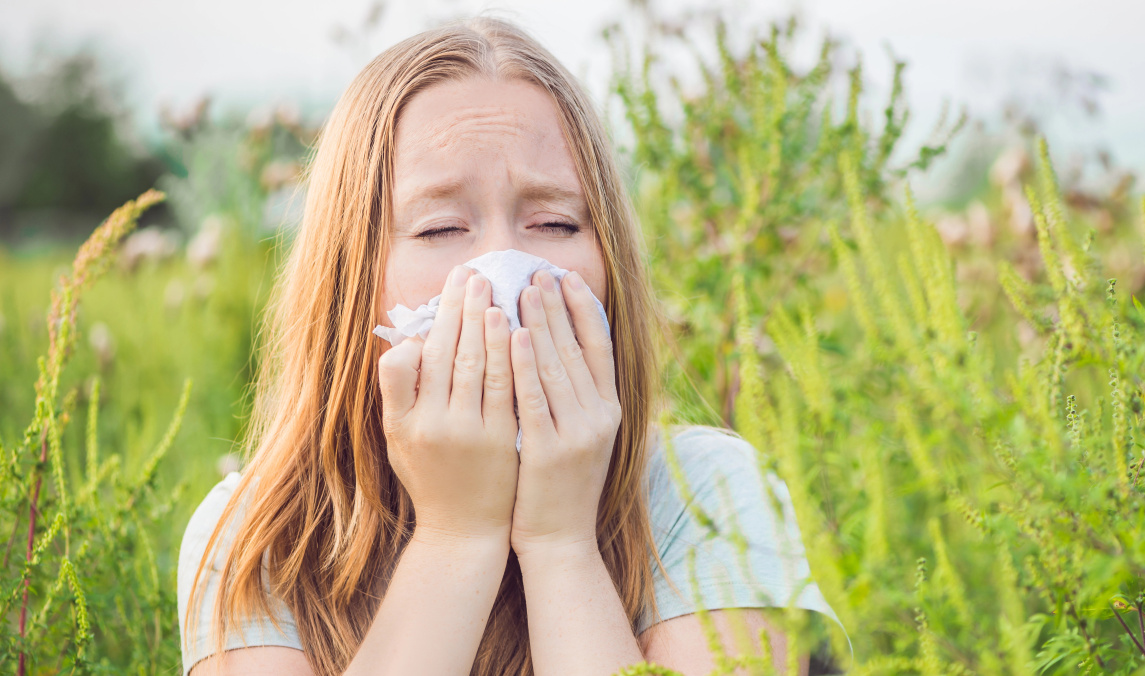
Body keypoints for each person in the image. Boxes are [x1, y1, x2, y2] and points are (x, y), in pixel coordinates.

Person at [177, 14, 842, 676]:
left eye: (554, 222)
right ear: (351, 279)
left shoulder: (704, 493)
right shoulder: (256, 536)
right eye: (440, 229)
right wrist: (455, 535)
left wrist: (561, 543)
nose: (503, 268)